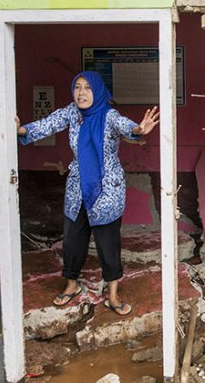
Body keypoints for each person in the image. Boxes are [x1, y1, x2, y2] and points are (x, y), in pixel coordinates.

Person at [16, 71, 159, 316]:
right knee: (73, 239)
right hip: (78, 187)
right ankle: (71, 284)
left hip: (106, 190)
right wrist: (21, 130)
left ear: (98, 91)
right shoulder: (71, 113)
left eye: (87, 88)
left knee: (108, 243)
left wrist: (138, 129)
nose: (81, 93)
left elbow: (126, 126)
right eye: (77, 88)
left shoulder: (109, 115)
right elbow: (48, 123)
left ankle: (112, 294)